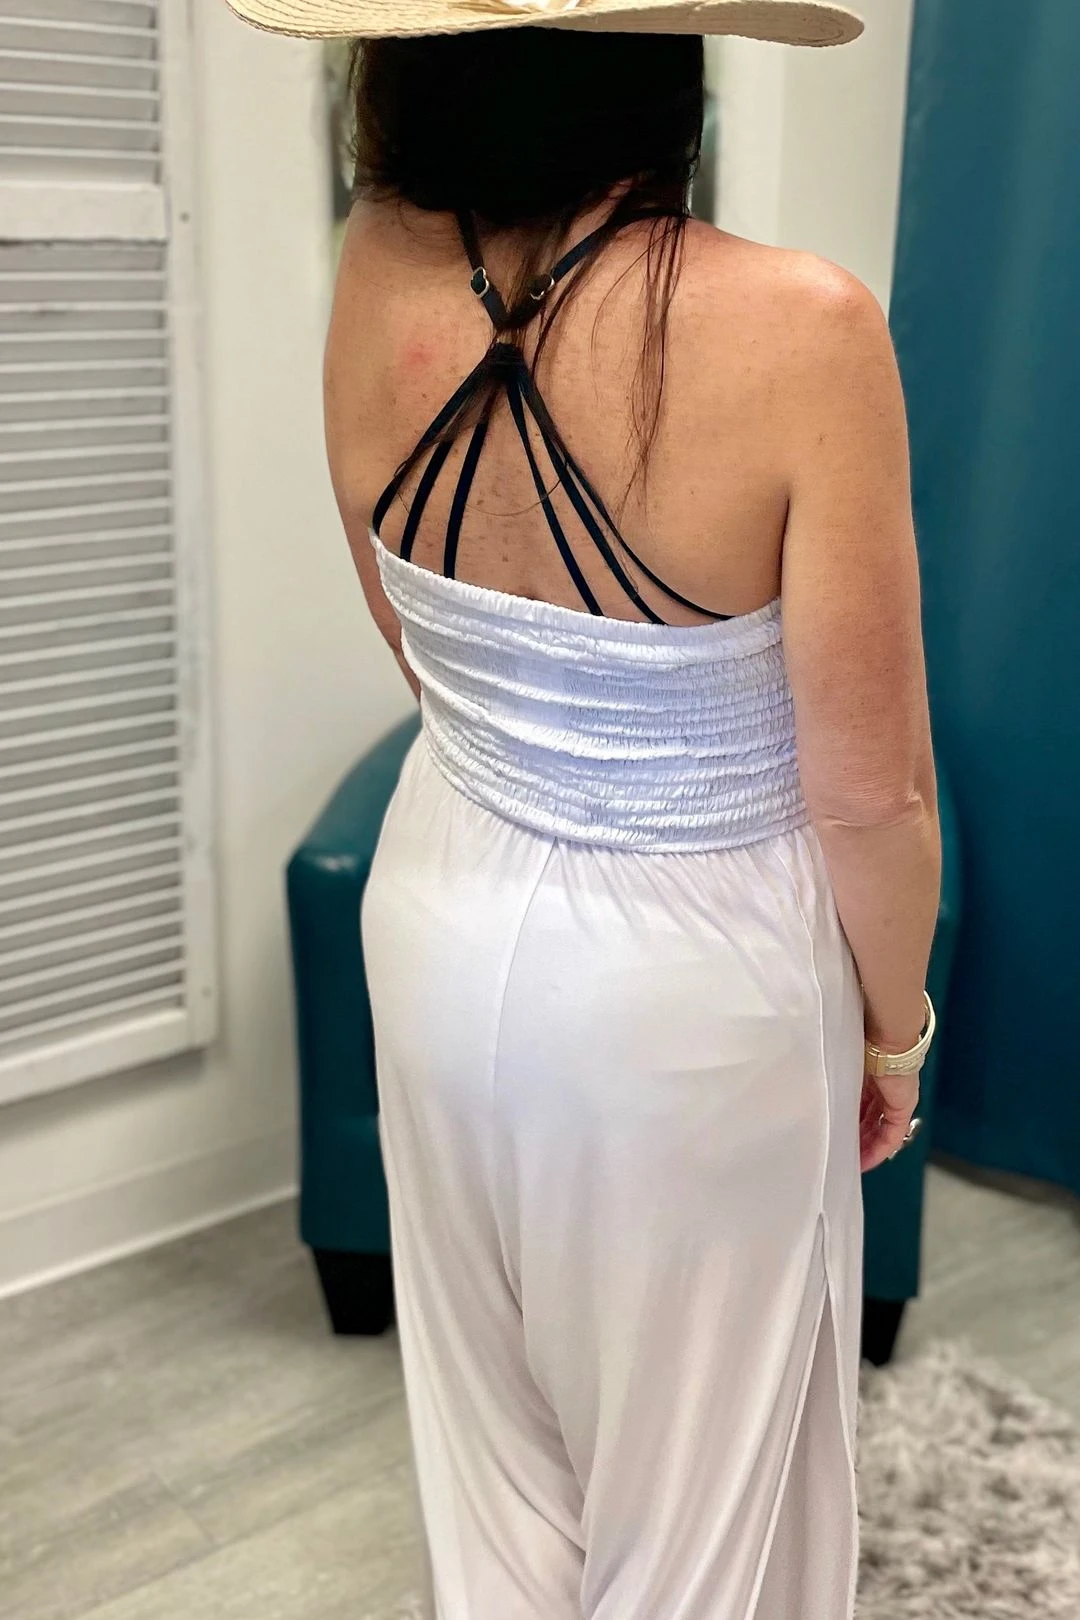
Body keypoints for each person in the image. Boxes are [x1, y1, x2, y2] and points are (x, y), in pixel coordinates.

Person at [231, 2, 942, 1615]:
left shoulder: (376, 263)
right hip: (690, 979)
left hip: (437, 896)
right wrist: (892, 1034)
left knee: (497, 1460)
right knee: (702, 1520)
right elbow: (873, 791)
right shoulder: (807, 326)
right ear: (662, 53)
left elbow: (416, 641)